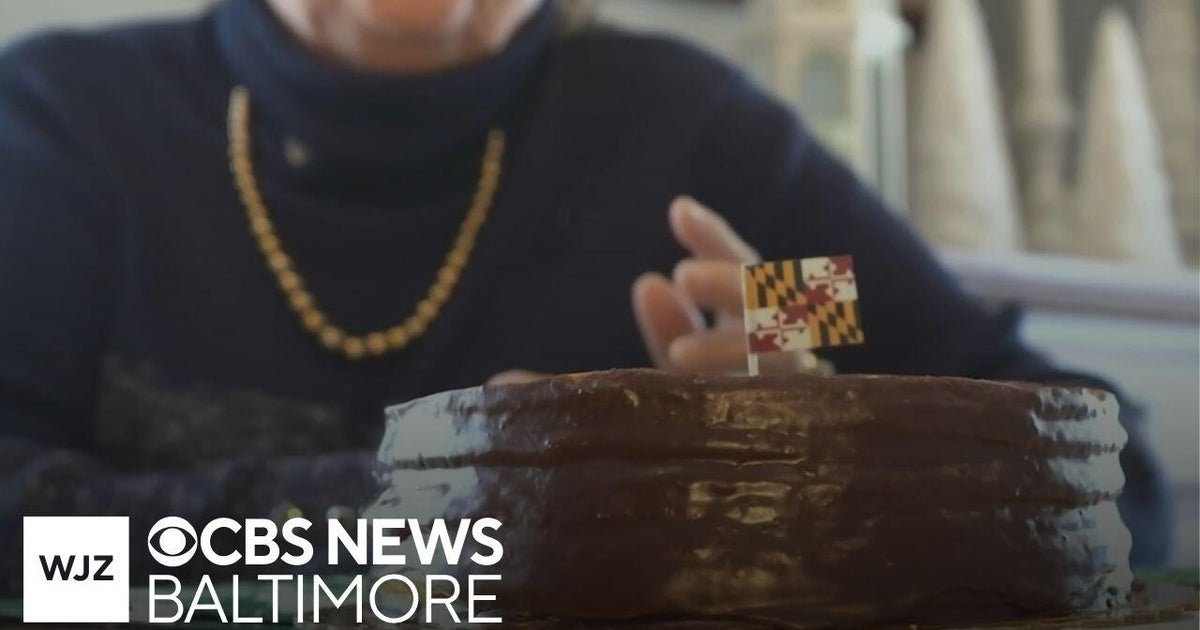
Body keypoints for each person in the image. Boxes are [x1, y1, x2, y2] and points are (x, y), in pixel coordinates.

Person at [0, 0, 1169, 594]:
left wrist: (829, 465)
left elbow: (1102, 491)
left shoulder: (699, 163)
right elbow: (21, 558)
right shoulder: (69, 135)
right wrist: (429, 527)